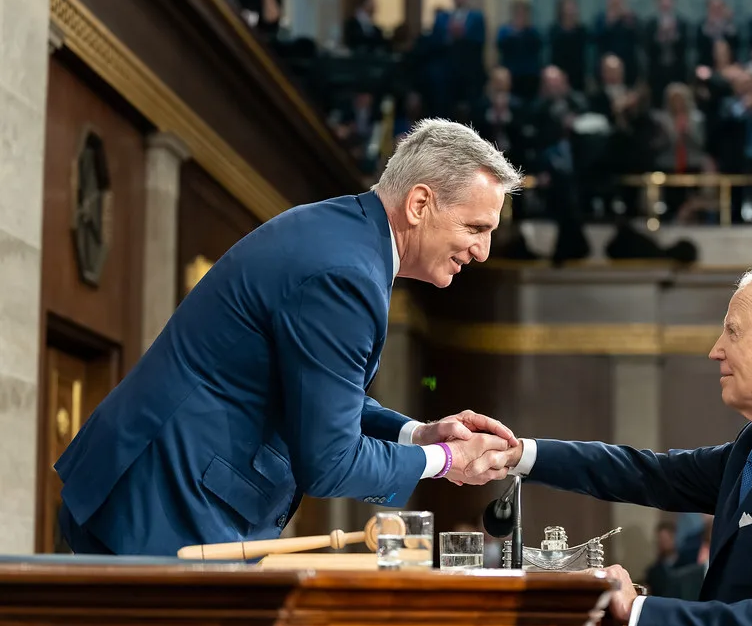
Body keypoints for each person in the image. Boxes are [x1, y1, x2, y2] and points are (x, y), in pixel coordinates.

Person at [55, 119, 522, 555]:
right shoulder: (347, 275)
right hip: (163, 507)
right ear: (420, 204)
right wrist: (444, 459)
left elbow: (318, 388)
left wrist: (415, 434)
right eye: (475, 228)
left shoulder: (346, 238)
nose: (481, 251)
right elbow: (331, 463)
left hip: (161, 492)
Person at [482, 265, 752, 626]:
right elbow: (650, 474)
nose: (715, 350)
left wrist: (638, 611)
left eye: (733, 332)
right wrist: (519, 454)